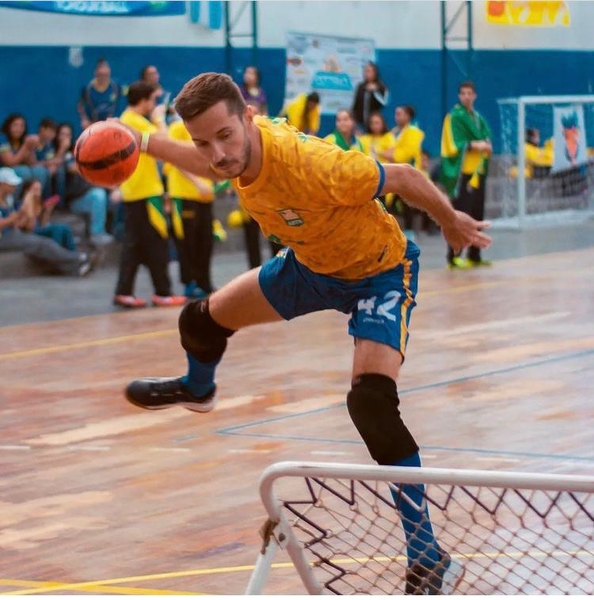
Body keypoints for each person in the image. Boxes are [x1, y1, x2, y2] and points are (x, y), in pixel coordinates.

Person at [121, 72, 491, 594]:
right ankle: (198, 388)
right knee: (199, 321)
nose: (217, 153)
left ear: (248, 117)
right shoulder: (226, 152)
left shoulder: (313, 165)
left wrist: (451, 221)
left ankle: (429, 558)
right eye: (204, 141)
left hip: (378, 271)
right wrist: (141, 141)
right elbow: (201, 159)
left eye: (225, 136)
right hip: (311, 268)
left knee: (371, 403)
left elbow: (405, 176)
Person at [114, 81, 186, 309]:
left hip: (134, 192)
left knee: (134, 246)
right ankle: (162, 292)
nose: (154, 104)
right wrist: (158, 118)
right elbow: (164, 143)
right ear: (144, 101)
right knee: (157, 243)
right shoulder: (134, 122)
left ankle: (124, 291)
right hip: (145, 192)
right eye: (153, 100)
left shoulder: (126, 120)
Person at [0, 167, 94, 276]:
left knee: (49, 238)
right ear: (1, 184)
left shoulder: (8, 199)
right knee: (41, 244)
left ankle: (77, 264)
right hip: (4, 237)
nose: (14, 187)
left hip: (12, 233)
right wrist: (19, 214)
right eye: (10, 184)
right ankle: (78, 258)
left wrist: (24, 216)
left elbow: (17, 223)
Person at [441, 81, 492, 269]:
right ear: (459, 95)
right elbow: (452, 144)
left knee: (477, 213)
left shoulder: (478, 118)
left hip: (478, 172)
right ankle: (454, 255)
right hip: (463, 173)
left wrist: (485, 144)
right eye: (462, 93)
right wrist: (473, 145)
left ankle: (475, 255)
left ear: (475, 95)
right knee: (460, 215)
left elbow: (486, 136)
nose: (466, 96)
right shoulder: (454, 117)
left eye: (469, 93)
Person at [165, 117, 219, 298]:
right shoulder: (177, 128)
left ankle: (204, 282)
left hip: (205, 196)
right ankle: (190, 283)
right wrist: (197, 182)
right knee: (187, 242)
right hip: (184, 195)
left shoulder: (207, 128)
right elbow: (173, 157)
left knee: (206, 241)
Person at [52, 123, 114, 246]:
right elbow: (70, 168)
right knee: (98, 195)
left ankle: (114, 232)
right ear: (56, 136)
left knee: (111, 196)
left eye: (68, 135)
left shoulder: (77, 153)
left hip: (87, 195)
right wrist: (63, 149)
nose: (65, 137)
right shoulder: (57, 153)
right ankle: (97, 234)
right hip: (72, 200)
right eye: (62, 134)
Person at [385, 105, 426, 240]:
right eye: (396, 114)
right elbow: (386, 150)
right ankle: (394, 231)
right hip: (395, 173)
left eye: (400, 114)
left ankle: (409, 233)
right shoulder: (394, 132)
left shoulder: (414, 132)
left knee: (405, 203)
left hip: (408, 174)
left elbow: (406, 153)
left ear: (408, 116)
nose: (397, 117)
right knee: (392, 204)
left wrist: (392, 155)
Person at [77, 58, 127, 130]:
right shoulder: (87, 89)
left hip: (113, 126)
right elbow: (80, 105)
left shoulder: (116, 86)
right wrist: (84, 119)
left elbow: (129, 96)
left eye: (106, 75)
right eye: (101, 75)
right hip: (93, 127)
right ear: (96, 73)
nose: (104, 78)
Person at [352, 62, 389, 132]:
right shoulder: (360, 86)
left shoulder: (381, 87)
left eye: (368, 71)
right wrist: (354, 122)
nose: (366, 73)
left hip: (373, 124)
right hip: (360, 123)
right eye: (365, 71)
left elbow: (384, 103)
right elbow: (355, 104)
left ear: (375, 73)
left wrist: (375, 91)